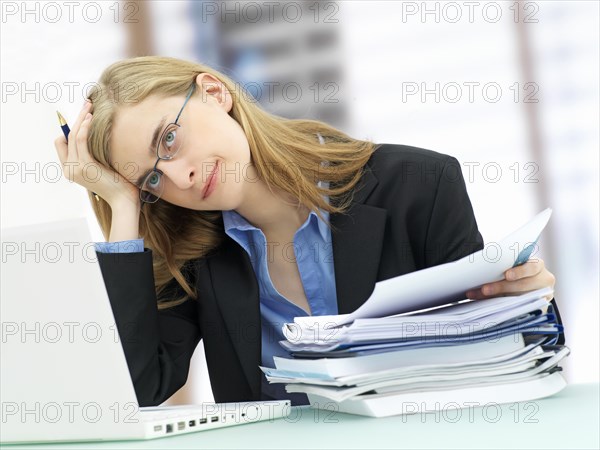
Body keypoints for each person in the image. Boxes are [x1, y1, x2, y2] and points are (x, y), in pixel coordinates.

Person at [54, 56, 563, 407]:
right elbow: (138, 388)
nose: (179, 175)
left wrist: (524, 303)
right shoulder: (193, 254)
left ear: (214, 92)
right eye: (151, 179)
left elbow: (496, 354)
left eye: (169, 137)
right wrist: (122, 206)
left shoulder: (417, 186)